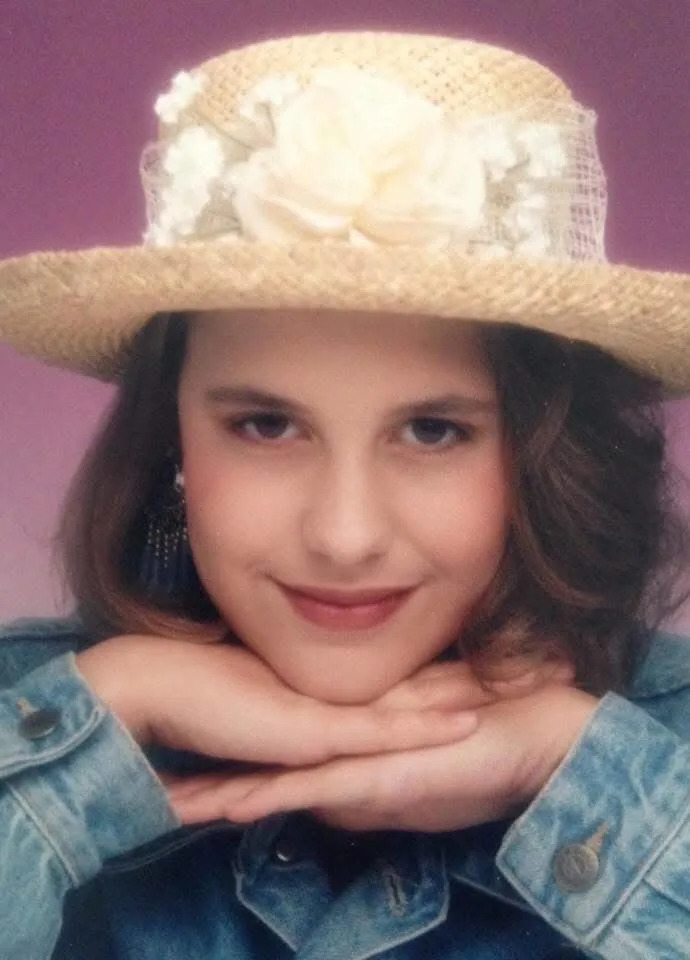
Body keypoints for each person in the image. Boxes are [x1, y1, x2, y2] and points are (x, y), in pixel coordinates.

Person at [1, 29, 689, 960]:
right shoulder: (28, 712)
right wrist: (92, 741)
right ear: (172, 439)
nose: (346, 534)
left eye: (433, 431)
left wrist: (573, 771)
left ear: (541, 454)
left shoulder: (670, 742)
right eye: (267, 426)